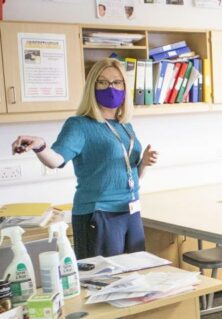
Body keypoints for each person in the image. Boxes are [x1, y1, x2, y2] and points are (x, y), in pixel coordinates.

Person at [12, 58, 158, 259]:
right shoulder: (79, 125)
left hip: (130, 211)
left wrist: (143, 164)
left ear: (125, 87)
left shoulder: (125, 125)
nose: (111, 87)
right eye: (102, 82)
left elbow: (128, 175)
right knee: (105, 276)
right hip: (99, 213)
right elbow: (56, 160)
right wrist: (40, 146)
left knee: (136, 273)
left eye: (117, 82)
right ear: (92, 87)